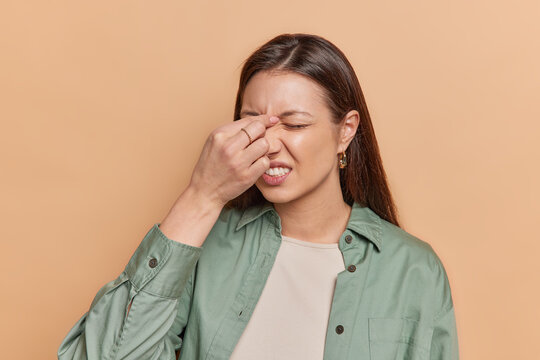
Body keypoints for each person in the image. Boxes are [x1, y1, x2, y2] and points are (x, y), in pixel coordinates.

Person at [57, 33, 459, 360]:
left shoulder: (414, 270)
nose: (268, 143)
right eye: (252, 123)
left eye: (295, 124)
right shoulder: (206, 244)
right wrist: (201, 197)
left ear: (346, 130)